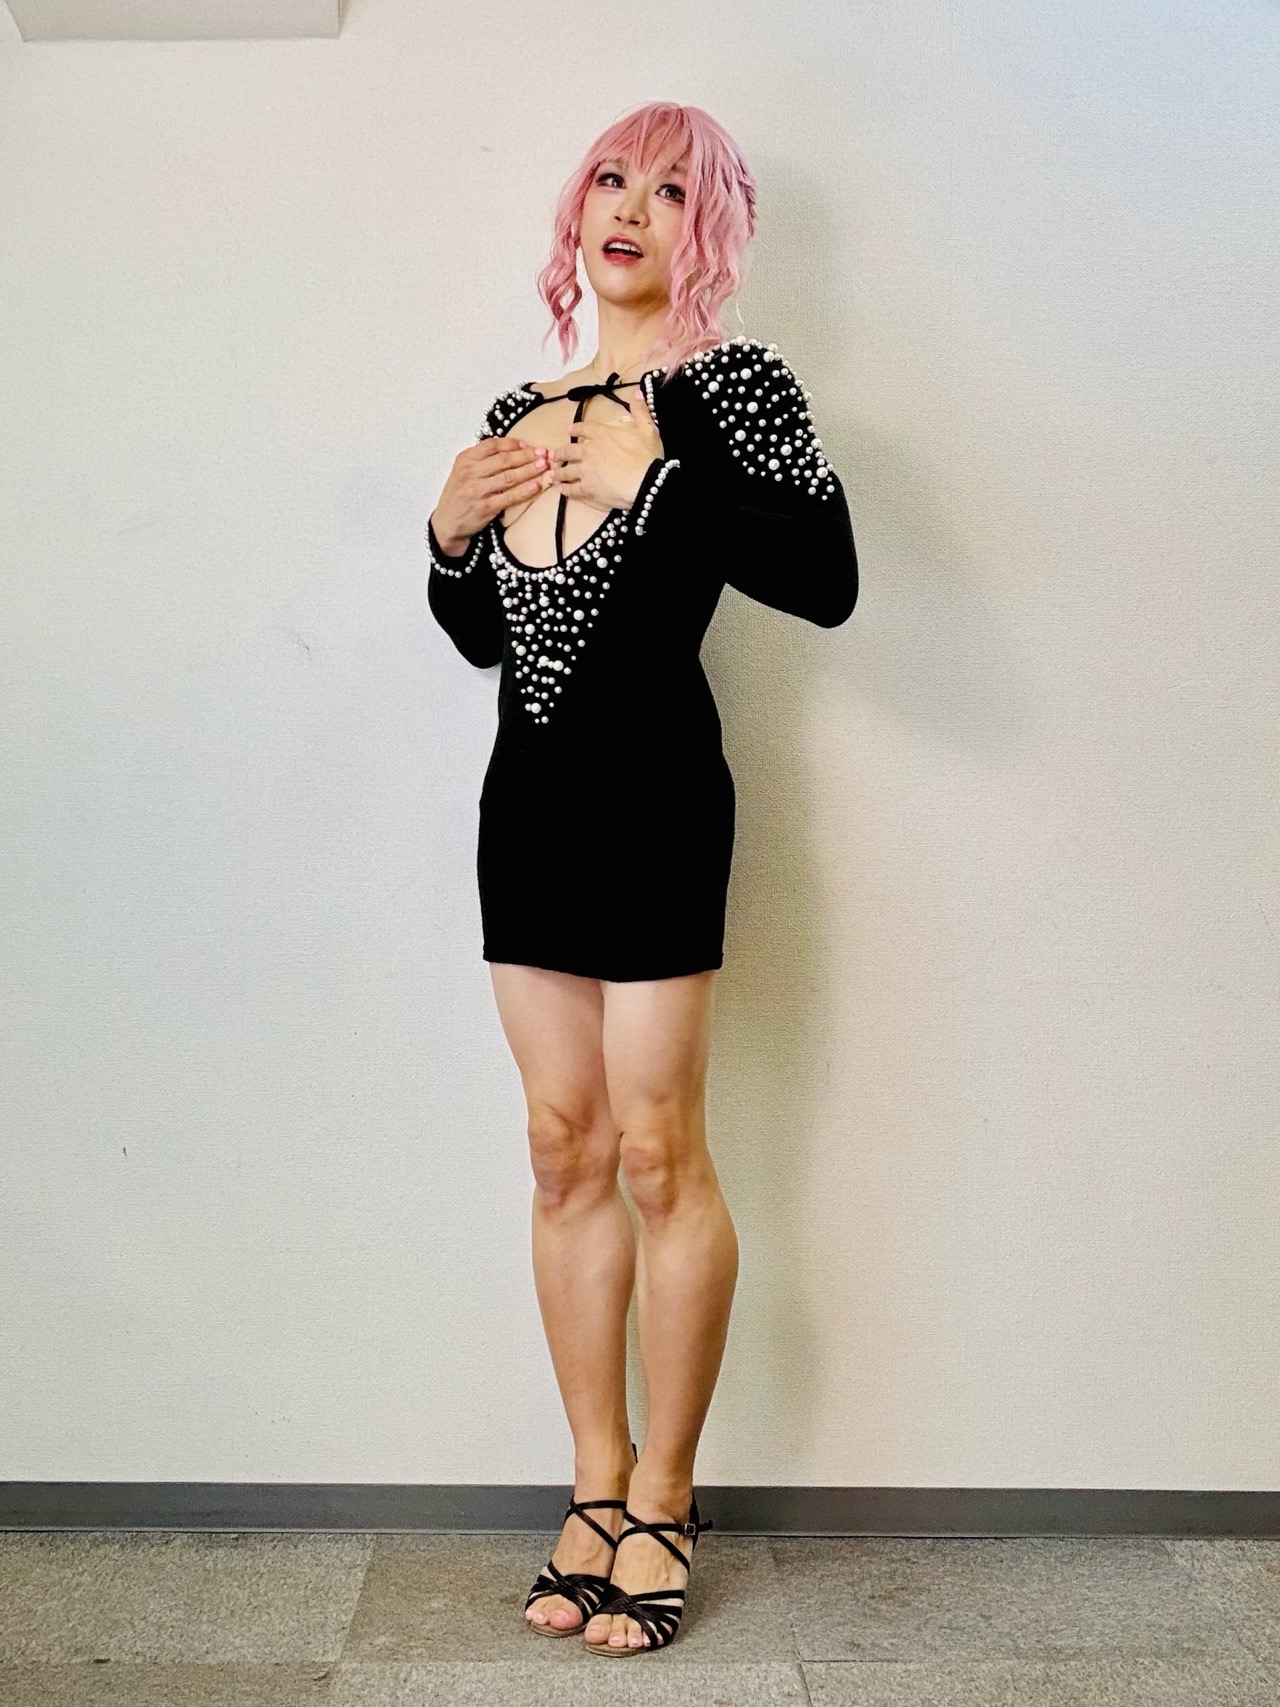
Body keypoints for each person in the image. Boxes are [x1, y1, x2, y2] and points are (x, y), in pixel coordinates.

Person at [423, 99, 858, 1656]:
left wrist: (656, 483)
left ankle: (667, 1497)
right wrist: (449, 541)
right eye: (612, 178)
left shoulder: (732, 391)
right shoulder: (522, 405)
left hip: (662, 809)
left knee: (662, 1153)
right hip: (528, 814)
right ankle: (594, 1484)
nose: (630, 207)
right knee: (563, 1150)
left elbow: (828, 579)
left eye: (671, 191)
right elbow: (497, 638)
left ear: (708, 229)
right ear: (577, 208)